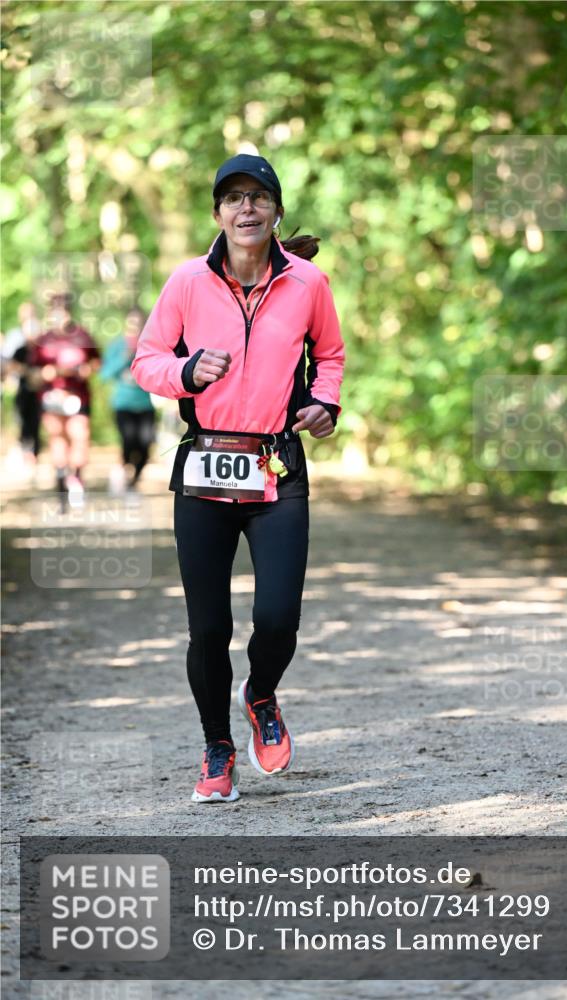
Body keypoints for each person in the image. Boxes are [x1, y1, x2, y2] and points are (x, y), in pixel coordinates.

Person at [132, 153, 345, 803]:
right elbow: (147, 360)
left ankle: (261, 695)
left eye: (258, 197)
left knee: (277, 616)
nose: (246, 208)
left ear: (277, 210)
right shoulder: (187, 282)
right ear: (217, 214)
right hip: (204, 467)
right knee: (208, 628)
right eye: (233, 198)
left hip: (275, 466)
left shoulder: (308, 282)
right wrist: (185, 372)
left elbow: (329, 356)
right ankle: (216, 748)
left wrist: (323, 404)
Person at [29, 292, 100, 505]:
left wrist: (87, 370)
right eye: (54, 311)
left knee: (79, 436)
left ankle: (76, 478)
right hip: (52, 396)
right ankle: (60, 482)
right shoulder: (43, 340)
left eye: (63, 310)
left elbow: (96, 362)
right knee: (57, 438)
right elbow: (32, 374)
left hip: (78, 396)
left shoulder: (83, 336)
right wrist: (47, 373)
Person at [100, 307, 156, 494]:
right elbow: (105, 374)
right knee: (128, 441)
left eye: (140, 324)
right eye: (132, 324)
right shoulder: (118, 346)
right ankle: (123, 473)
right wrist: (124, 358)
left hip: (145, 405)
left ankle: (135, 478)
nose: (136, 328)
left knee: (146, 445)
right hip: (123, 404)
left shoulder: (150, 346)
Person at [1, 302, 43, 474]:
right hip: (23, 389)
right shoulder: (16, 343)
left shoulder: (43, 348)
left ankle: (34, 454)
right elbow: (9, 364)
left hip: (40, 392)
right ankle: (26, 453)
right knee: (23, 421)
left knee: (36, 423)